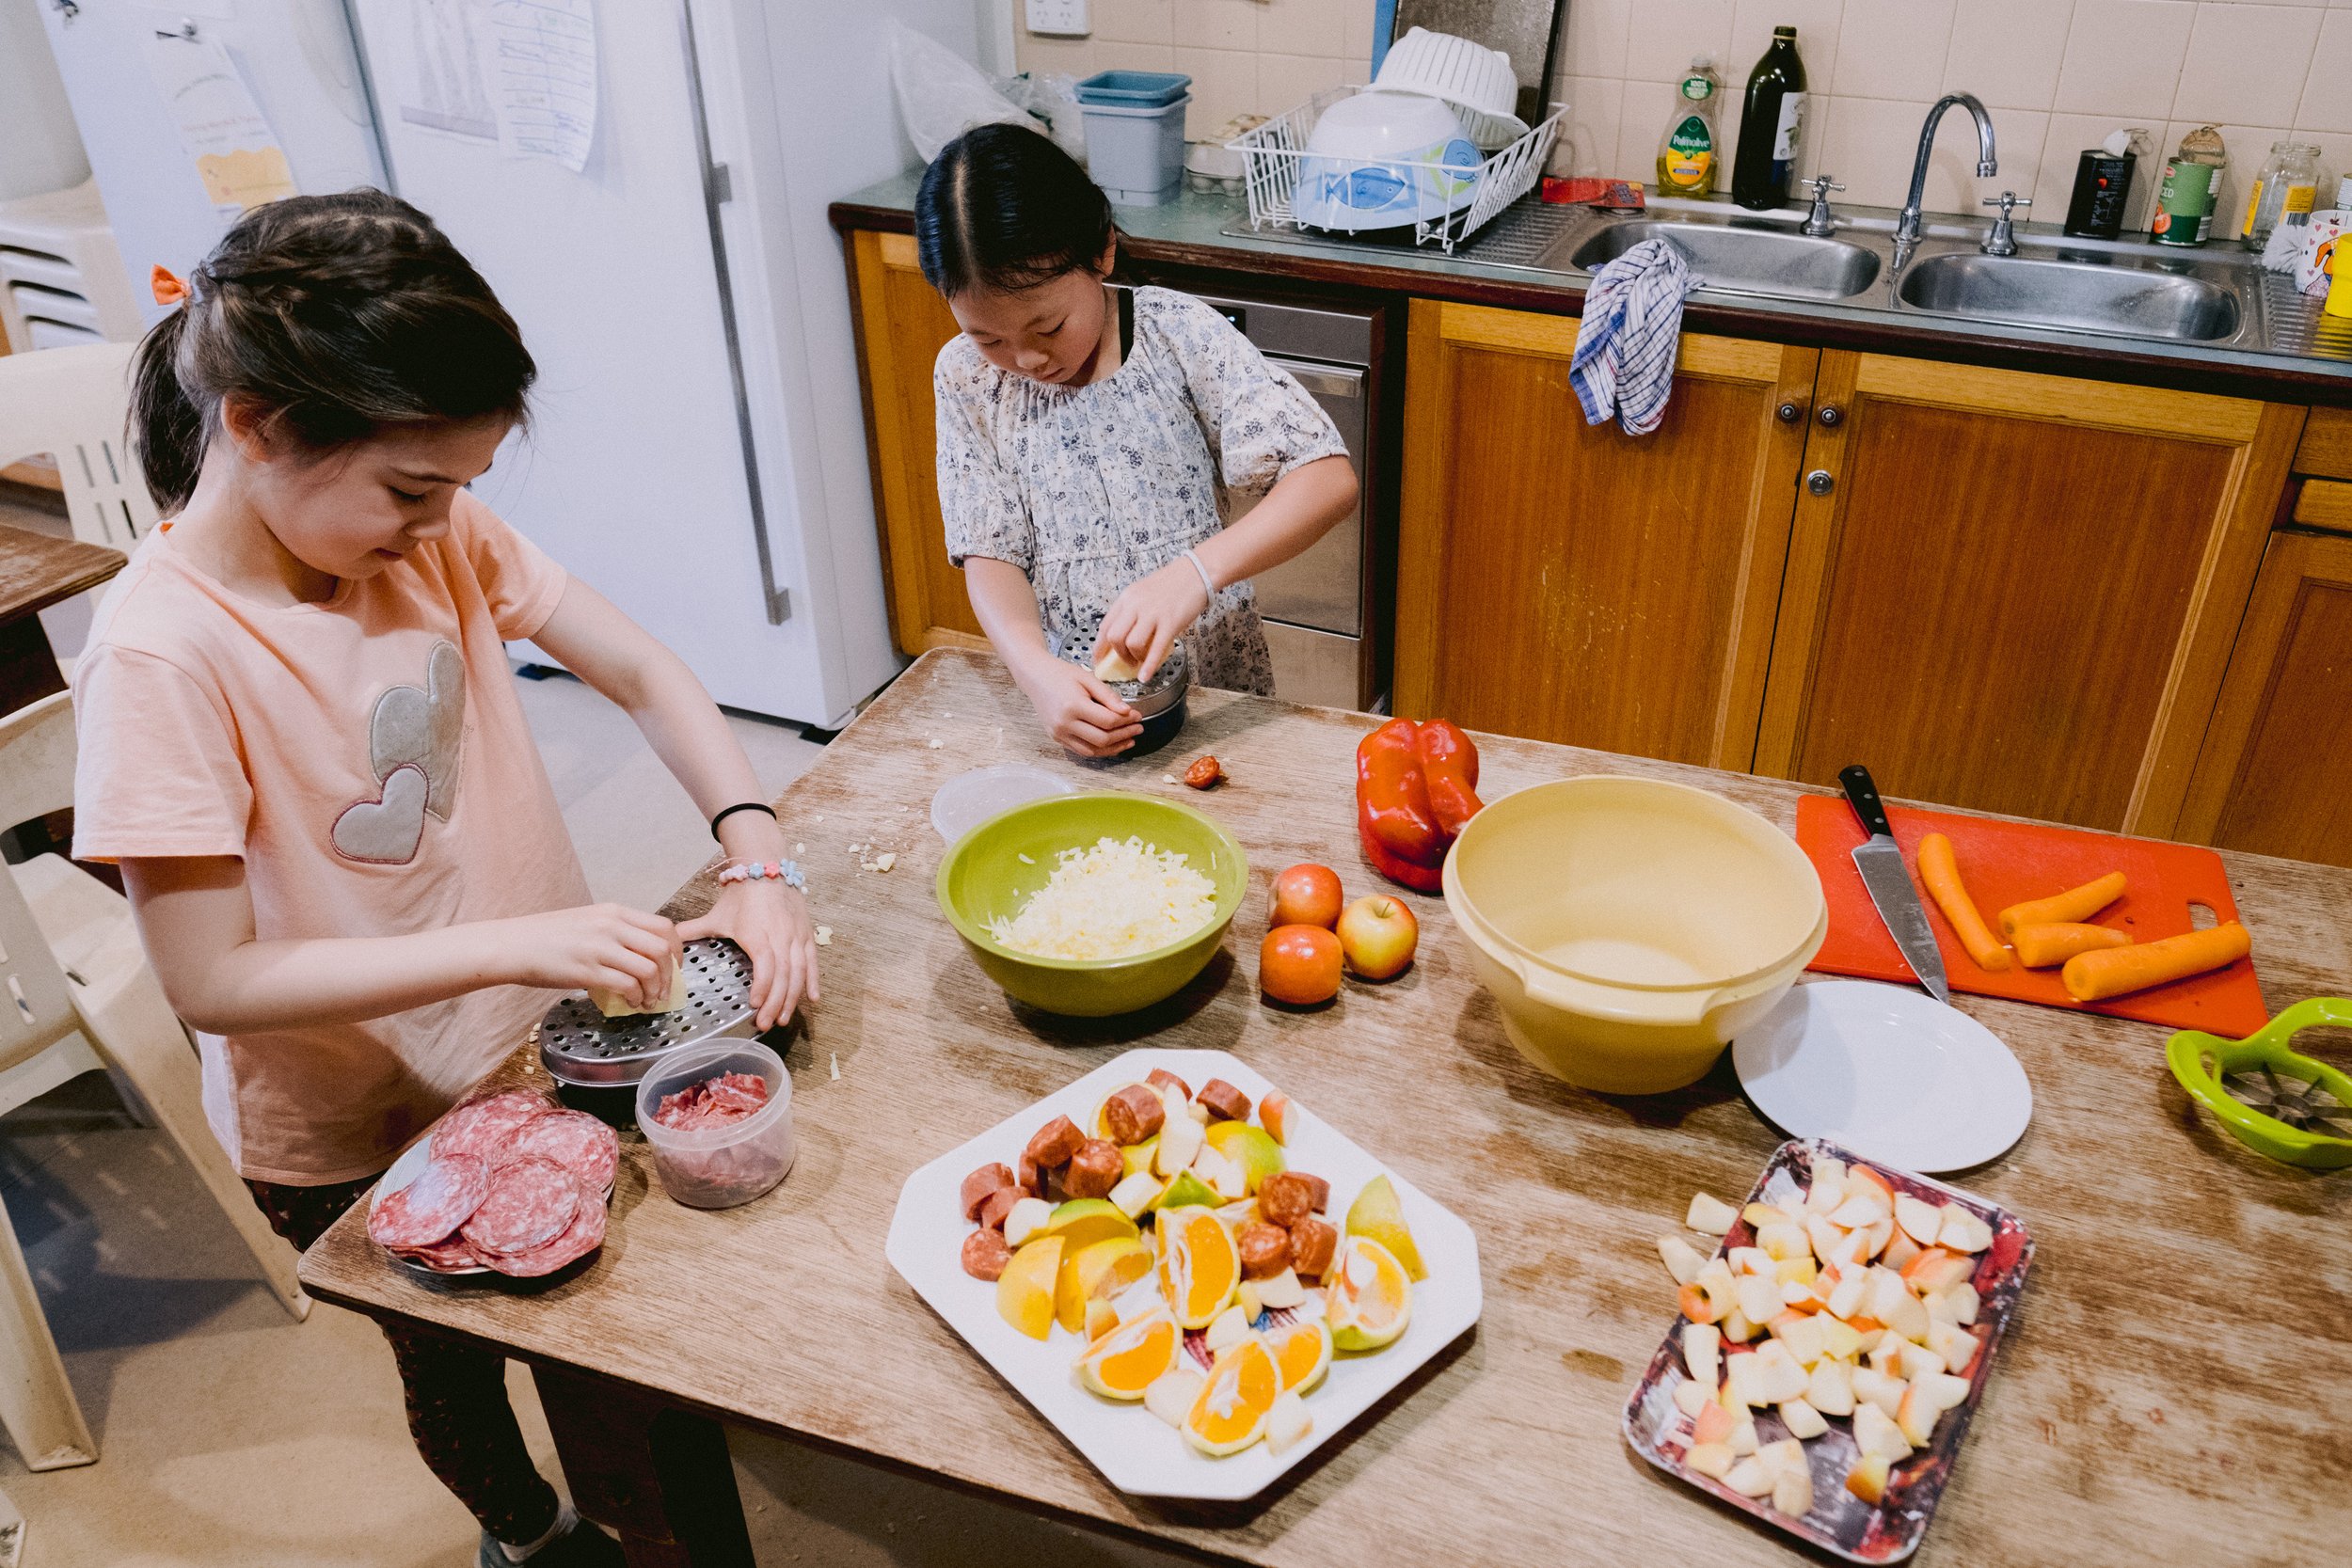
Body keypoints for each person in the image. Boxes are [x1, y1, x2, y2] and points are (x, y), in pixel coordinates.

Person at [71, 190, 818, 1566]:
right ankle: (525, 1534)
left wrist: (753, 849)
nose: (441, 525)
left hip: (528, 1048)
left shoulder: (439, 537)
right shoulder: (164, 654)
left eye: (460, 489)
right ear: (259, 427)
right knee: (454, 1369)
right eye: (412, 489)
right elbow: (211, 977)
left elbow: (645, 669)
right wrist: (510, 941)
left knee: (603, 1340)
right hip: (347, 1113)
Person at [916, 123, 1359, 757]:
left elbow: (1327, 479)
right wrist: (1035, 671)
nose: (1026, 358)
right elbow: (989, 550)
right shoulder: (965, 378)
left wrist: (1195, 574)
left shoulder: (1177, 336)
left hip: (1215, 695)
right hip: (1076, 700)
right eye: (990, 337)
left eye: (1048, 326)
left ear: (1101, 251)